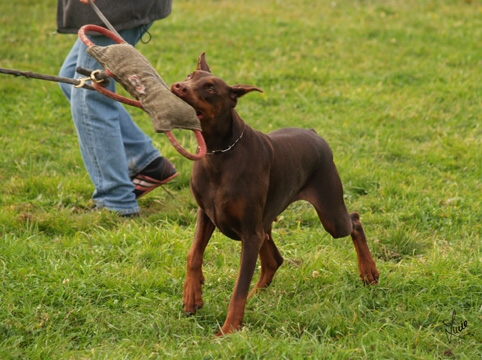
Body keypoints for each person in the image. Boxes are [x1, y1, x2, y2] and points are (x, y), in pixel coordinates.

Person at [57, 0, 177, 217]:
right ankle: (146, 162)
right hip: (115, 8)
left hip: (114, 7)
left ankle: (115, 201)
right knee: (71, 78)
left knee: (90, 95)